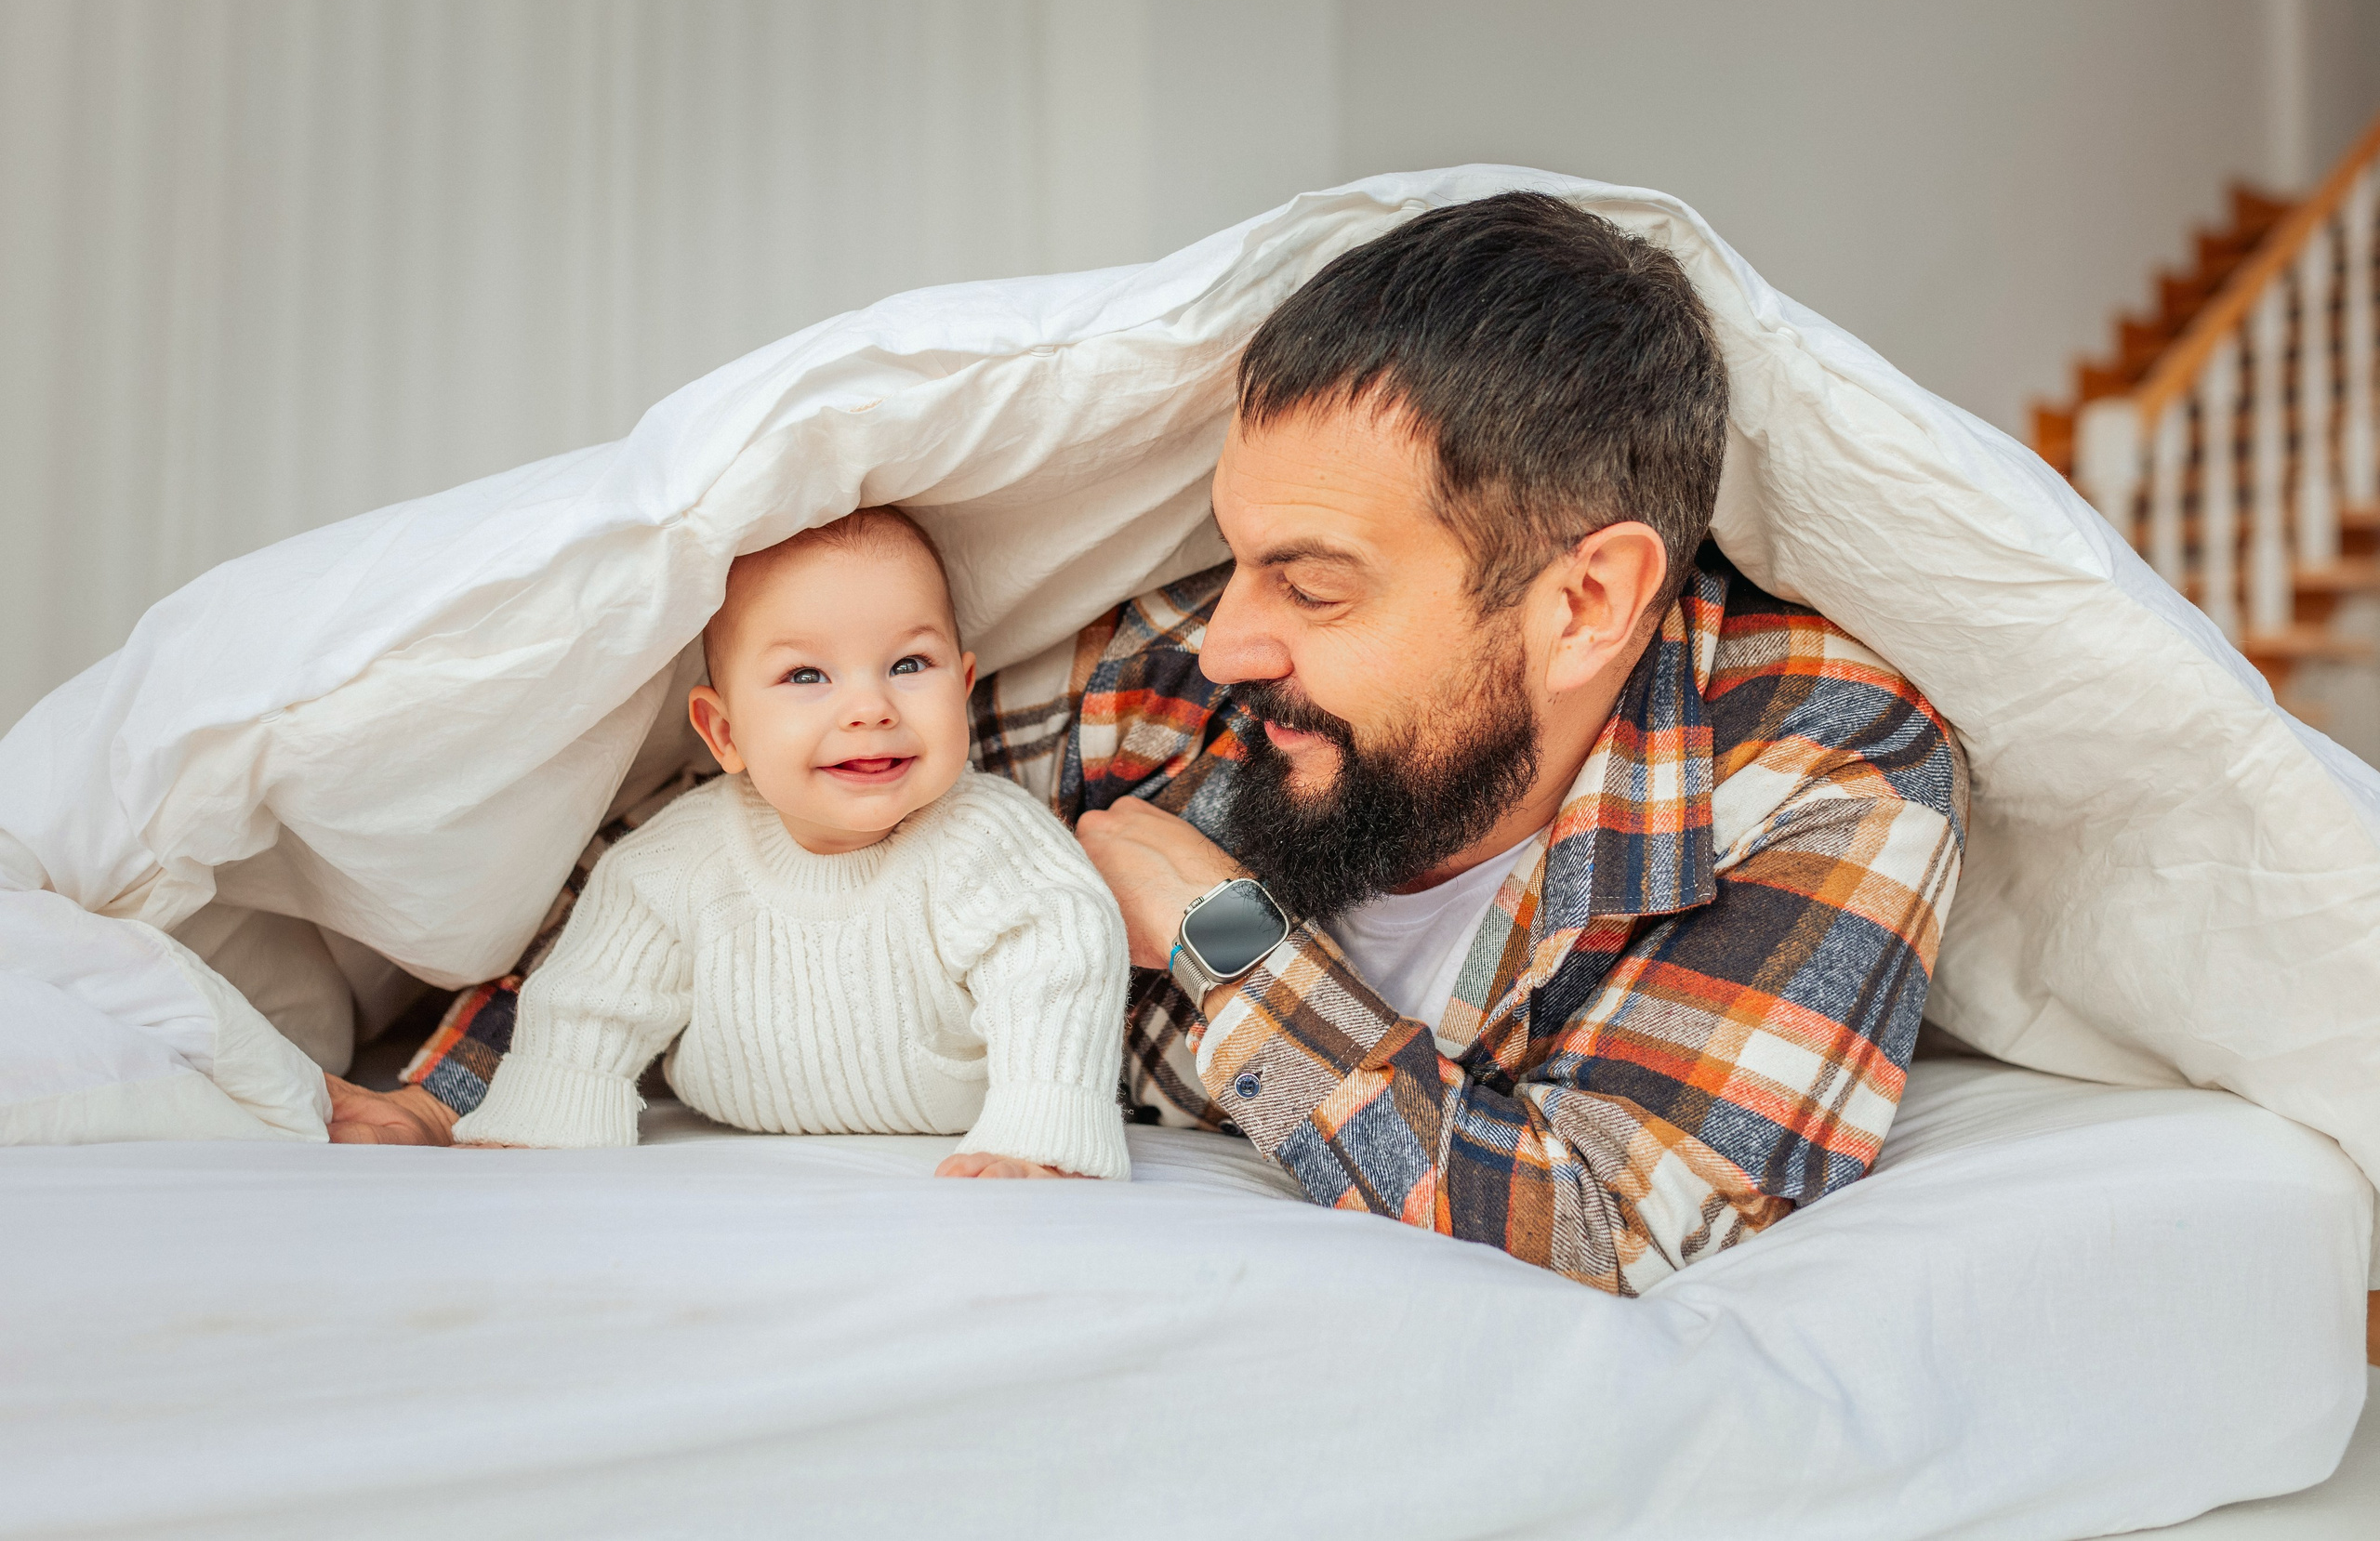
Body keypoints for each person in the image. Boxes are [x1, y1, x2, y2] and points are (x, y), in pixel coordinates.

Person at [336, 192, 1965, 1295]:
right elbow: (741, 818)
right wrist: (452, 1089)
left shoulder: (1821, 764)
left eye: (1311, 583)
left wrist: (1218, 927)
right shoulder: (1183, 673)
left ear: (1584, 599)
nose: (1229, 638)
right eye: (1236, 557)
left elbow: (1605, 1219)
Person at [432, 507, 1132, 1179]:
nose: (870, 709)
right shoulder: (683, 856)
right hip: (728, 1117)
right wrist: (548, 1114)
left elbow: (1061, 966)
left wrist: (1041, 1130)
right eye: (806, 675)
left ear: (964, 686)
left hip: (965, 1120)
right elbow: (595, 993)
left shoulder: (987, 841)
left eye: (910, 664)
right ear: (724, 732)